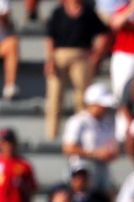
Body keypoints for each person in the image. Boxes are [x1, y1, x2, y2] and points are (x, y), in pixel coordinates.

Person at [44, 0, 110, 139]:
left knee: (81, 99)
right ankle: (52, 135)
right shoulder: (58, 12)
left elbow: (104, 31)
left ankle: (82, 137)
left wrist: (97, 54)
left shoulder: (88, 13)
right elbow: (50, 37)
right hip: (59, 55)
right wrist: (50, 59)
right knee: (55, 98)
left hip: (82, 56)